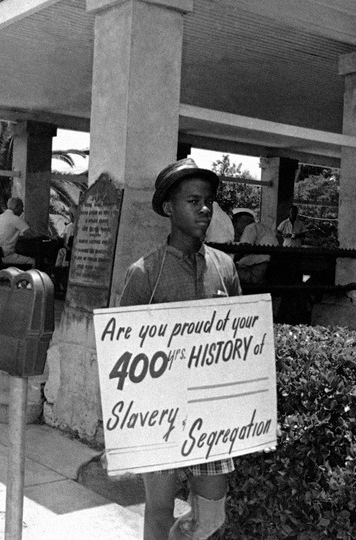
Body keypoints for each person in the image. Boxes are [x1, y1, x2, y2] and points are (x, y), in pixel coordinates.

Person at [119, 157, 240, 540]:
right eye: (193, 201)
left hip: (211, 411)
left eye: (208, 201)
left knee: (211, 516)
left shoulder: (224, 268)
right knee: (158, 510)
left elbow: (241, 340)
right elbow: (122, 353)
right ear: (169, 208)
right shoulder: (145, 273)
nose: (204, 208)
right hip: (161, 413)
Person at [0, 197, 46, 265]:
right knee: (33, 262)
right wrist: (47, 236)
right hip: (6, 256)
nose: (22, 211)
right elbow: (32, 234)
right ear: (17, 207)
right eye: (22, 207)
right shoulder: (15, 219)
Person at [235, 209, 278, 286]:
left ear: (243, 222)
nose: (235, 228)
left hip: (259, 265)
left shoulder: (250, 228)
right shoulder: (263, 228)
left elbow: (244, 248)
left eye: (235, 224)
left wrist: (233, 259)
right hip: (271, 264)